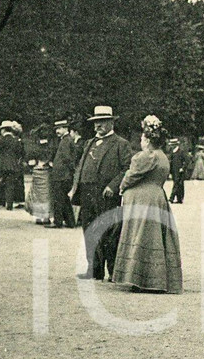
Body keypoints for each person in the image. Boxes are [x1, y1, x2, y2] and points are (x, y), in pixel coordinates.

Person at [112, 116, 184, 293]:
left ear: (148, 140)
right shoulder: (163, 156)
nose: (141, 141)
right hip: (157, 197)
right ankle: (157, 278)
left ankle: (138, 278)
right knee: (155, 237)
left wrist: (122, 188)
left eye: (143, 138)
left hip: (142, 200)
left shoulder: (146, 156)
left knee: (141, 235)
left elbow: (131, 175)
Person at [71, 105, 133, 280]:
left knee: (109, 232)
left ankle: (113, 271)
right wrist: (75, 187)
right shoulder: (88, 143)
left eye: (103, 121)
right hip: (87, 192)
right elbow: (80, 166)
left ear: (112, 123)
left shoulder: (121, 144)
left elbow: (127, 169)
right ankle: (94, 269)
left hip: (106, 194)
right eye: (96, 122)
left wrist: (113, 186)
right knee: (89, 230)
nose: (98, 125)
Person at [0, 121, 25, 211]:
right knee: (10, 185)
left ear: (4, 130)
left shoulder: (1, 139)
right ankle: (9, 205)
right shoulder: (15, 140)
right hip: (13, 165)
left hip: (1, 165)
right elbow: (20, 152)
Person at [49, 119, 78, 228]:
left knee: (58, 198)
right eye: (56, 128)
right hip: (64, 174)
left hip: (62, 175)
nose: (57, 130)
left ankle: (58, 222)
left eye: (60, 128)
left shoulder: (65, 140)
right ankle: (70, 222)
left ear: (66, 128)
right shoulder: (66, 139)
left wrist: (69, 170)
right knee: (64, 199)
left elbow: (67, 158)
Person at [26, 126, 53, 224]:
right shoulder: (51, 147)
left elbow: (30, 161)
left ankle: (38, 216)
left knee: (37, 195)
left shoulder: (34, 147)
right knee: (46, 194)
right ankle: (46, 216)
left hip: (37, 171)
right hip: (46, 172)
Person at [168, 138, 190, 203]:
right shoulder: (172, 152)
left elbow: (187, 160)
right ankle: (179, 199)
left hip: (180, 171)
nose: (171, 146)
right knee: (178, 185)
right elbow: (171, 162)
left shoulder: (181, 152)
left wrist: (183, 168)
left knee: (177, 184)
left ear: (175, 145)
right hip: (174, 171)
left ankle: (171, 198)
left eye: (172, 145)